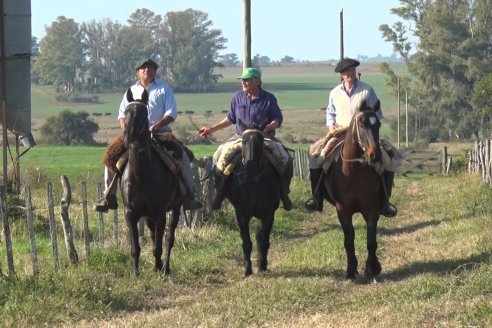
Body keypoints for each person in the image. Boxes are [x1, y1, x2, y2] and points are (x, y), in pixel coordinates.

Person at [94, 59, 202, 212]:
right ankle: (108, 196)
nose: (147, 70)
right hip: (134, 136)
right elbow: (121, 115)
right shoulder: (131, 91)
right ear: (137, 72)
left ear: (155, 71)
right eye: (143, 68)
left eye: (150, 68)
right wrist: (127, 130)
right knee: (110, 157)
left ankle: (189, 196)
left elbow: (171, 113)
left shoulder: (164, 89)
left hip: (161, 134)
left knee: (183, 156)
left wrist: (156, 126)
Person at [304, 58, 398, 217]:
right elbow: (330, 113)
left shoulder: (367, 90)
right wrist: (331, 124)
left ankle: (384, 200)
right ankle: (317, 197)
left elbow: (377, 113)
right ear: (342, 75)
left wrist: (368, 124)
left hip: (364, 134)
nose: (350, 74)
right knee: (316, 158)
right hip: (340, 133)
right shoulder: (334, 92)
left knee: (389, 158)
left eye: (352, 71)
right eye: (347, 72)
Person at [197, 67, 293, 211]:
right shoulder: (237, 97)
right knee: (219, 155)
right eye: (242, 80)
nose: (243, 82)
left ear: (257, 81)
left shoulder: (269, 98)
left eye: (247, 80)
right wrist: (211, 129)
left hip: (263, 137)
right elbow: (230, 118)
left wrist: (268, 128)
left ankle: (284, 194)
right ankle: (220, 194)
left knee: (285, 158)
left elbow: (277, 119)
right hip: (240, 137)